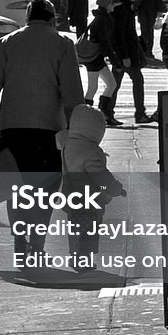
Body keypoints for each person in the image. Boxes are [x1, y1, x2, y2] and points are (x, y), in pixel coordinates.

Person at [0, 0, 84, 256]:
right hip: (49, 130)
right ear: (52, 18)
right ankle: (36, 244)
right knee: (44, 189)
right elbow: (72, 92)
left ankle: (20, 240)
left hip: (11, 128)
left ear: (27, 17)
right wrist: (76, 127)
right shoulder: (62, 44)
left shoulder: (7, 43)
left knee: (16, 188)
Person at [55, 103, 127, 268]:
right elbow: (100, 176)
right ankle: (83, 259)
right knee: (89, 231)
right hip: (89, 199)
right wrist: (115, 188)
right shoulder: (91, 150)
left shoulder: (67, 144)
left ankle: (75, 256)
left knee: (75, 229)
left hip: (70, 194)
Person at [112, 0, 150, 124]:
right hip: (126, 55)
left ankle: (108, 112)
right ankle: (140, 113)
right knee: (137, 80)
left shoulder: (126, 8)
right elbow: (119, 35)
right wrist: (125, 56)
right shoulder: (122, 9)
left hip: (123, 54)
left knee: (114, 84)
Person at [83, 0, 122, 127]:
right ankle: (94, 114)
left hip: (95, 57)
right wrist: (115, 61)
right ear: (107, 5)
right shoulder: (103, 20)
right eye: (112, 3)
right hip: (94, 58)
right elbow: (106, 42)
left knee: (108, 85)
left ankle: (101, 114)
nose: (113, 6)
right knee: (97, 86)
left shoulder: (101, 18)